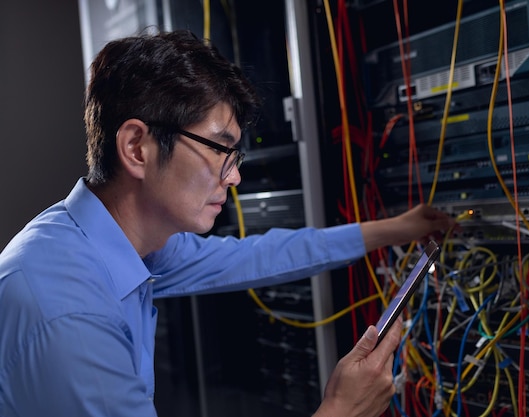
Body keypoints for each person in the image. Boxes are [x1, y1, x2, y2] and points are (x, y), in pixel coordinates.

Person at [0, 30, 456, 417]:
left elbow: (255, 256)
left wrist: (398, 228)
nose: (235, 175)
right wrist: (339, 410)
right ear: (137, 147)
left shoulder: (105, 240)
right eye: (220, 149)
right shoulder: (69, 315)